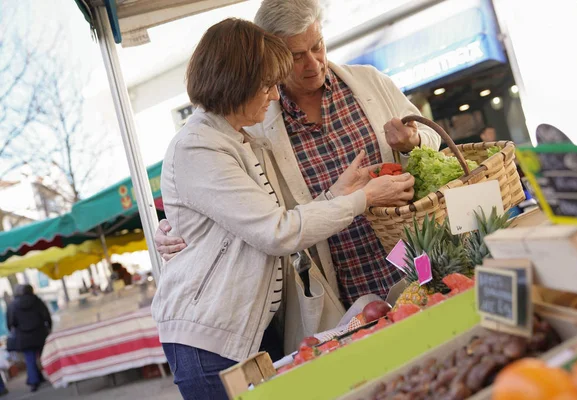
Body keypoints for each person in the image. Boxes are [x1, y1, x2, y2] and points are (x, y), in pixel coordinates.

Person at [152, 18, 414, 400]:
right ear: (235, 82)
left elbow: (271, 221)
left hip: (247, 332)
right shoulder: (200, 147)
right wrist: (364, 199)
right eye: (267, 85)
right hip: (211, 343)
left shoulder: (235, 139)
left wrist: (337, 193)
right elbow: (277, 232)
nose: (275, 95)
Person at [155, 0, 441, 308]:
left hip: (412, 250)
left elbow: (434, 138)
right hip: (344, 280)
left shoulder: (369, 82)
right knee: (375, 340)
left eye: (317, 46)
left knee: (437, 305)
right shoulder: (254, 121)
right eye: (296, 56)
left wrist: (413, 142)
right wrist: (180, 223)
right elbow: (250, 208)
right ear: (272, 57)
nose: (314, 63)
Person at [6, 284, 51, 392]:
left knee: (30, 359)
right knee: (45, 356)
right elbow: (46, 316)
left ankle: (34, 381)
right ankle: (50, 376)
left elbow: (10, 322)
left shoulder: (13, 305)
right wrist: (49, 328)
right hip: (40, 334)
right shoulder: (37, 301)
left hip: (24, 337)